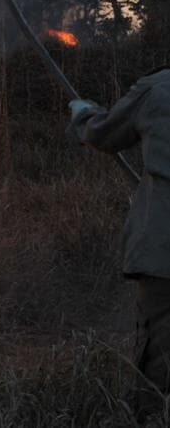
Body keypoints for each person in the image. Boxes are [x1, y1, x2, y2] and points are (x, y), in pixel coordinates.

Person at [69, 66, 170, 420]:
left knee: (158, 364)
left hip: (163, 254)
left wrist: (83, 114)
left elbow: (104, 132)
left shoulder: (158, 91)